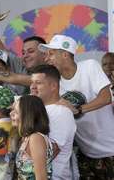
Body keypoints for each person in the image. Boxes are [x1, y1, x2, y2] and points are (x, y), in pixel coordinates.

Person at [39, 34, 114, 179]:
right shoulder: (55, 82)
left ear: (65, 54)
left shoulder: (90, 66)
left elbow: (106, 97)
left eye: (51, 54)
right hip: (86, 153)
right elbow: (19, 79)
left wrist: (78, 109)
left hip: (111, 150)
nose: (46, 58)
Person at [30, 64, 77, 179]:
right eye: (32, 82)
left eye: (38, 83)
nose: (32, 87)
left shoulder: (61, 112)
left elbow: (51, 152)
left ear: (53, 86)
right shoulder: (39, 108)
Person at [11, 95, 53, 180]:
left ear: (27, 115)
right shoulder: (26, 137)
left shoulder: (36, 138)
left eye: (16, 112)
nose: (11, 113)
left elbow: (41, 178)